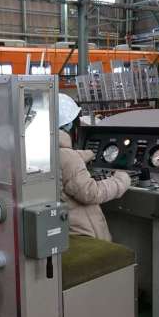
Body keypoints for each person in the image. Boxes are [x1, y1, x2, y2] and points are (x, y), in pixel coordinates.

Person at [58, 93, 131, 241]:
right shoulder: (68, 157)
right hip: (83, 233)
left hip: (64, 228)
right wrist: (121, 179)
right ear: (69, 125)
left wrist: (85, 155)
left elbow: (63, 161)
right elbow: (92, 193)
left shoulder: (46, 151)